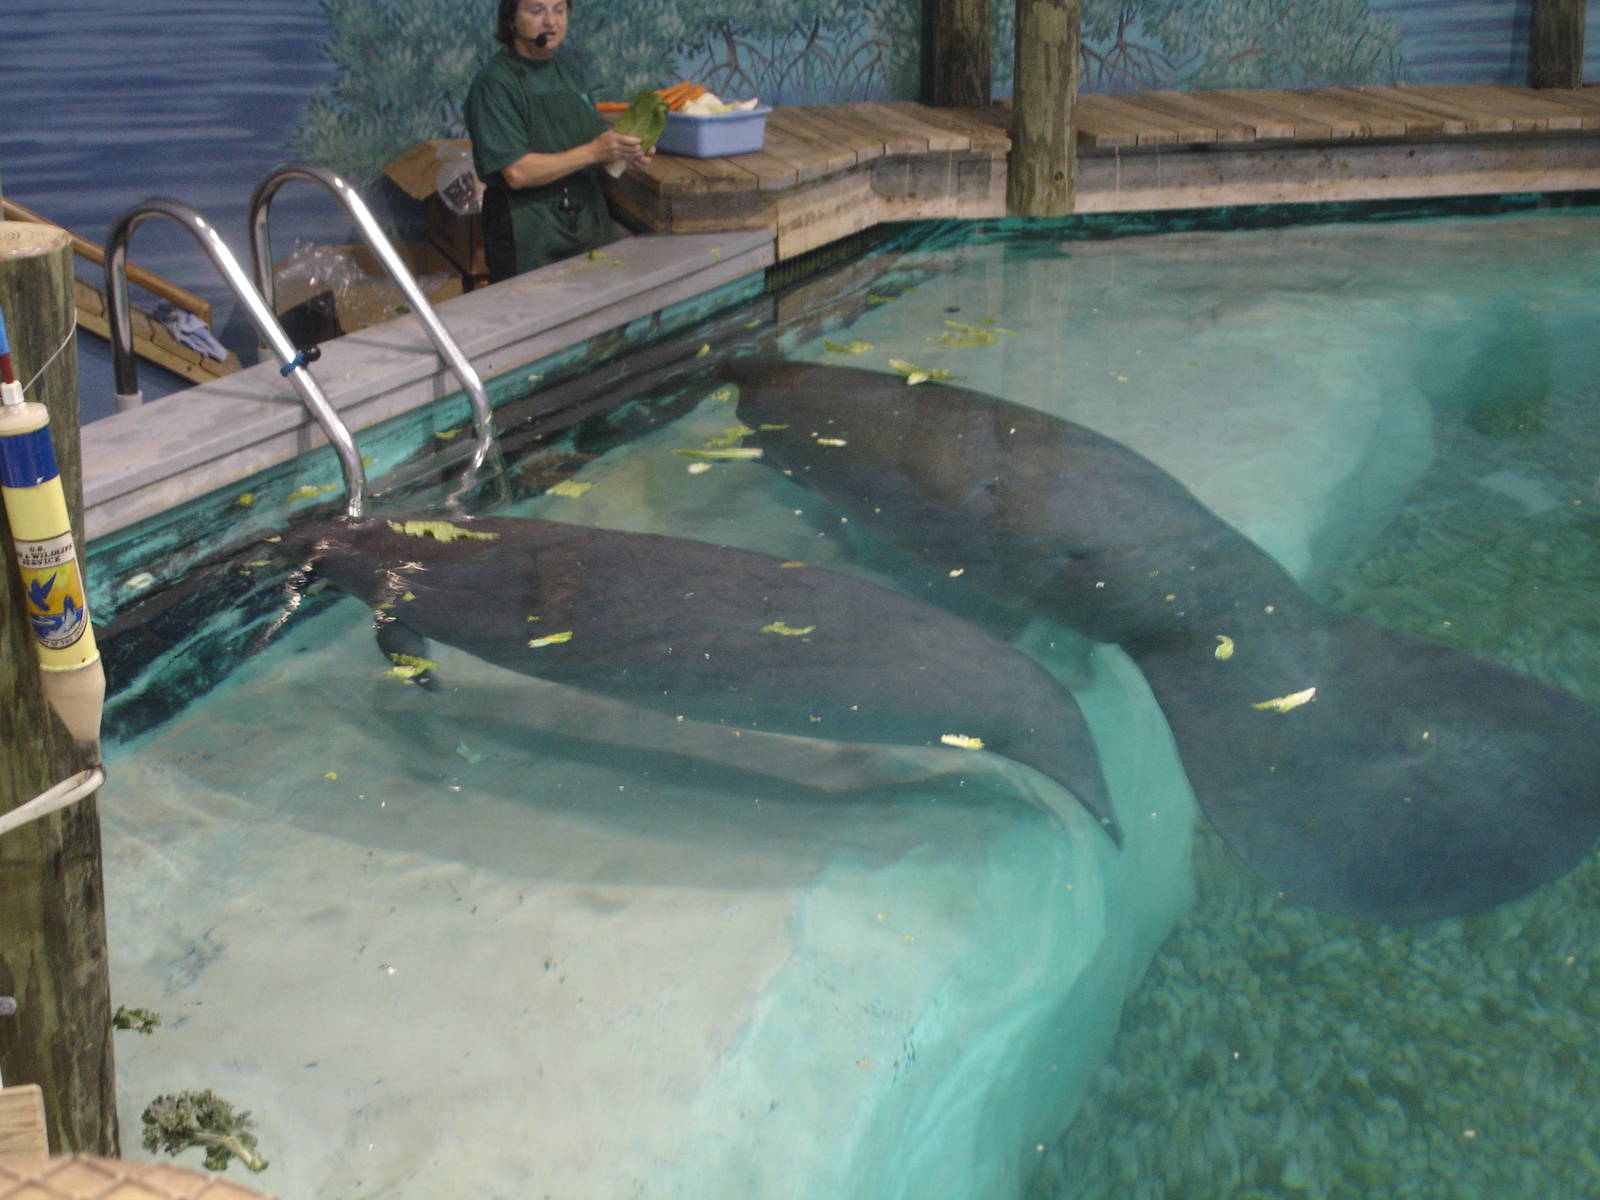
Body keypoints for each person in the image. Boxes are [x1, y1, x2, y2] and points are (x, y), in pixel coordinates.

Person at [464, 0, 654, 282]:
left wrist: (623, 153)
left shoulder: (569, 72)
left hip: (587, 223)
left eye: (559, 10)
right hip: (529, 232)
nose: (551, 22)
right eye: (536, 10)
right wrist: (593, 152)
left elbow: (590, 146)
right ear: (511, 20)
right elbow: (517, 172)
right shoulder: (495, 84)